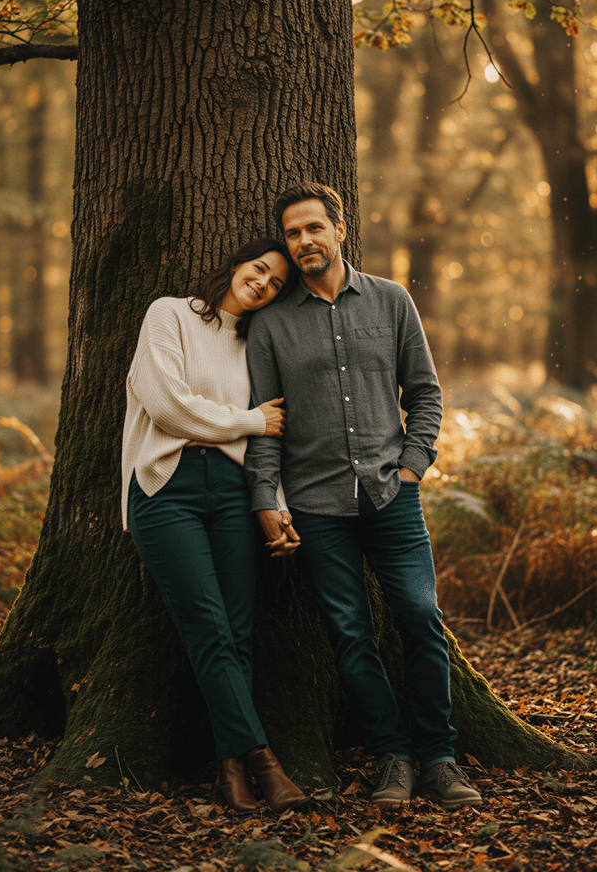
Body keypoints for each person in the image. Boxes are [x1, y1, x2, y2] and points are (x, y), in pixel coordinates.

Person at [244, 183, 483, 811]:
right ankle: (393, 757)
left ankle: (439, 757)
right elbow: (267, 422)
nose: (304, 243)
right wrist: (266, 495)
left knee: (419, 619)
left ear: (340, 228)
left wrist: (413, 463)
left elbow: (426, 393)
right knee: (351, 635)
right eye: (293, 234)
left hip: (391, 496)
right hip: (318, 508)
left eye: (314, 229)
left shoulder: (391, 301)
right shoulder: (271, 325)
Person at [121, 238, 308, 815]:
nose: (264, 284)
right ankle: (264, 763)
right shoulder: (169, 313)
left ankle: (230, 775)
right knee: (208, 627)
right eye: (260, 270)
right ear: (235, 265)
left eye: (277, 283)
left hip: (233, 494)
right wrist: (247, 418)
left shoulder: (259, 345)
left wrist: (274, 503)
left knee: (238, 631)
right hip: (166, 486)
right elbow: (166, 404)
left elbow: (269, 443)